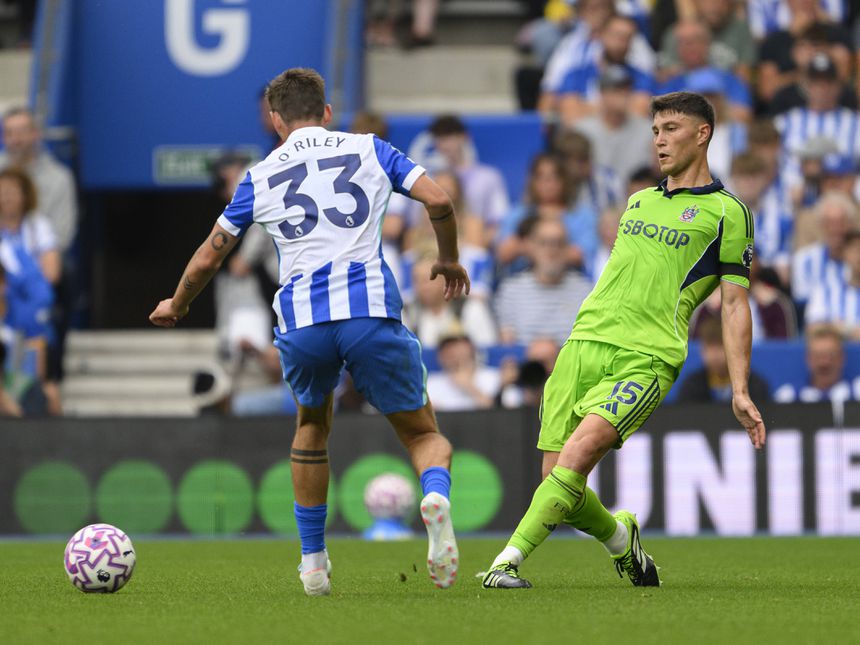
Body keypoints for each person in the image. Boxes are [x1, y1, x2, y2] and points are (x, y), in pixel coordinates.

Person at [149, 68, 469, 595]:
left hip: (302, 321)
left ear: (276, 120)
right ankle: (434, 495)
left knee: (311, 425)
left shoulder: (259, 175)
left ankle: (314, 563)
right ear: (326, 111)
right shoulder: (370, 148)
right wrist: (450, 259)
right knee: (422, 434)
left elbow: (212, 253)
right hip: (368, 309)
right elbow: (438, 201)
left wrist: (177, 303)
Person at [482, 92, 766, 590]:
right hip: (584, 343)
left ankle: (507, 561)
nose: (659, 140)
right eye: (655, 130)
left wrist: (739, 388)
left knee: (579, 453)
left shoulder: (727, 212)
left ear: (703, 134)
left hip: (648, 356)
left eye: (672, 128)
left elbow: (735, 304)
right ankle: (621, 538)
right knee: (558, 482)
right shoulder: (639, 200)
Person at [495, 217, 593, 347]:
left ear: (568, 248)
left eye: (558, 243)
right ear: (531, 247)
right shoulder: (510, 291)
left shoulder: (587, 293)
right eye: (544, 243)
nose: (551, 251)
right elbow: (507, 349)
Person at [0, 108, 77, 253]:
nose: (15, 140)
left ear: (36, 134)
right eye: (9, 133)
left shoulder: (59, 177)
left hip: (43, 258)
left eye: (21, 132)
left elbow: (62, 236)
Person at [557, 15, 655, 123]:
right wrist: (620, 106)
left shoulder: (641, 77)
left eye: (627, 38)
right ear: (600, 35)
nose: (621, 43)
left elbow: (638, 116)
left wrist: (587, 107)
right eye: (616, 35)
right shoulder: (575, 75)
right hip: (585, 139)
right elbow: (572, 118)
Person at [573, 65, 655, 188]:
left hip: (636, 202)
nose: (623, 95)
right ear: (602, 94)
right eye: (616, 90)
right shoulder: (582, 131)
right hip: (593, 202)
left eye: (627, 89)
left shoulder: (648, 130)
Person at [657, 19, 752, 123]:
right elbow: (660, 119)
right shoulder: (671, 84)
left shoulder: (729, 80)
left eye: (695, 40)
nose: (689, 46)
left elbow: (743, 115)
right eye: (682, 42)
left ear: (707, 43)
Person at [676, 316, 771, 403]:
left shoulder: (754, 385)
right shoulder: (691, 386)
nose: (714, 355)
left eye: (720, 347)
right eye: (708, 348)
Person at [773, 325, 860, 403]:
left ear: (841, 358)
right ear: (808, 359)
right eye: (818, 356)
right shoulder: (787, 397)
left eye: (831, 356)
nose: (824, 363)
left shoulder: (856, 392)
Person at [805, 229, 860, 339]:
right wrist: (850, 331)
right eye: (855, 250)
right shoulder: (825, 288)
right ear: (845, 253)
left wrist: (836, 327)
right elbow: (813, 328)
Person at [425, 335, 500, 411]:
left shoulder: (494, 377)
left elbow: (504, 414)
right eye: (447, 349)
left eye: (457, 347)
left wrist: (470, 387)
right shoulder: (431, 382)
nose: (453, 353)